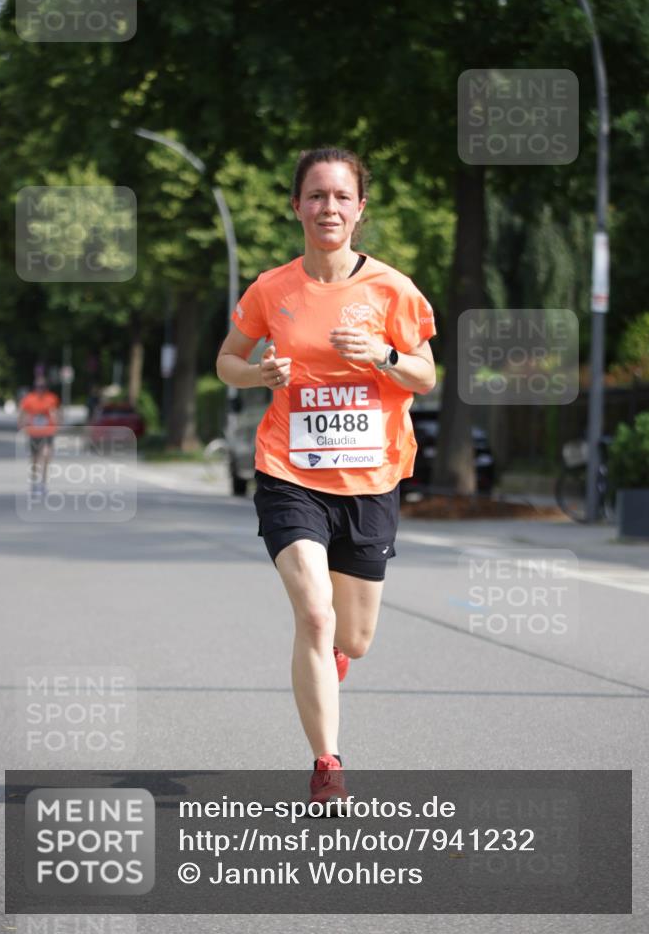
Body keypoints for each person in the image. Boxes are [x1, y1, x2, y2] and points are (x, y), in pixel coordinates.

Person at [216, 148, 437, 804]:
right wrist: (259, 374)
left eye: (341, 197)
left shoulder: (391, 290)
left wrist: (386, 354)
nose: (328, 208)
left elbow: (424, 375)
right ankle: (327, 766)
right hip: (289, 472)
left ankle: (333, 663)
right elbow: (227, 359)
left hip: (371, 480)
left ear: (359, 208)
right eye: (316, 196)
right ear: (296, 207)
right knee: (314, 615)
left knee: (353, 639)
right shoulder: (271, 289)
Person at [18, 376, 61, 494]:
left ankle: (43, 483)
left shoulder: (51, 398)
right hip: (34, 432)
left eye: (42, 387)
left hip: (48, 432)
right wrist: (21, 423)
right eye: (38, 387)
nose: (40, 389)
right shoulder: (29, 398)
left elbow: (56, 412)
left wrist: (57, 421)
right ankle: (34, 482)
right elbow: (23, 412)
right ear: (34, 387)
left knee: (46, 456)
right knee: (35, 459)